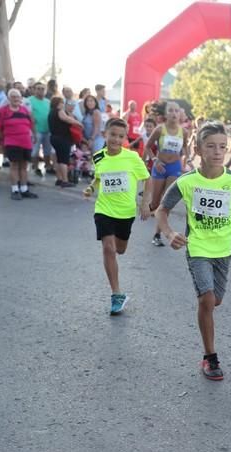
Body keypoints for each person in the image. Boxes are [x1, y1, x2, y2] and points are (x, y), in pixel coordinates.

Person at [156, 121, 231, 381]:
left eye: (222, 146)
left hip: (224, 248)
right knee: (207, 300)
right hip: (197, 246)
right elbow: (162, 210)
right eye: (211, 146)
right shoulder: (187, 182)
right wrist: (170, 233)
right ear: (198, 149)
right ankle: (210, 357)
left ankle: (206, 314)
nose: (218, 151)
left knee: (215, 300)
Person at [83, 118, 151, 314]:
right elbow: (98, 177)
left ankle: (117, 290)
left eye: (121, 136)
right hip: (104, 209)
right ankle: (116, 294)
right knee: (108, 248)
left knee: (120, 249)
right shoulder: (98, 157)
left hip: (125, 212)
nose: (116, 139)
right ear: (105, 134)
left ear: (125, 138)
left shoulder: (132, 158)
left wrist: (145, 202)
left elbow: (148, 179)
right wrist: (90, 188)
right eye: (112, 134)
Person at [145, 101, 190, 247]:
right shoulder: (159, 129)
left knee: (166, 202)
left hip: (174, 168)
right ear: (166, 114)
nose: (174, 114)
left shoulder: (184, 132)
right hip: (160, 167)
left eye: (176, 111)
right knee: (156, 202)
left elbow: (185, 149)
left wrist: (185, 163)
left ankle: (157, 234)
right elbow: (148, 147)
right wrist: (155, 160)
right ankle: (149, 208)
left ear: (180, 114)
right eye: (170, 111)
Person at [0, 89, 39, 199]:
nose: (16, 98)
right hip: (11, 142)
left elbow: (32, 123)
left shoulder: (25, 110)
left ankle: (24, 189)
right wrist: (1, 141)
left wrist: (35, 135)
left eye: (18, 96)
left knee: (24, 166)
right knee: (14, 166)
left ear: (21, 98)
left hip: (26, 141)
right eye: (13, 96)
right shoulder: (3, 111)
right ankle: (15, 190)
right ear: (8, 98)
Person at [48, 96, 82, 187]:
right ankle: (65, 180)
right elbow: (66, 119)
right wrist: (78, 123)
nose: (63, 104)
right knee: (63, 160)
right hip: (62, 138)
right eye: (62, 102)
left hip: (54, 137)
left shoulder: (51, 112)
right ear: (58, 104)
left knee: (59, 159)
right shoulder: (59, 111)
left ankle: (59, 179)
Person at [27, 82, 53, 175]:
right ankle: (36, 168)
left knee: (47, 150)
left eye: (42, 89)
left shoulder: (48, 102)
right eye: (38, 88)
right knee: (35, 150)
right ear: (34, 90)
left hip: (47, 130)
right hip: (35, 130)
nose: (40, 90)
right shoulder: (29, 100)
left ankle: (48, 166)